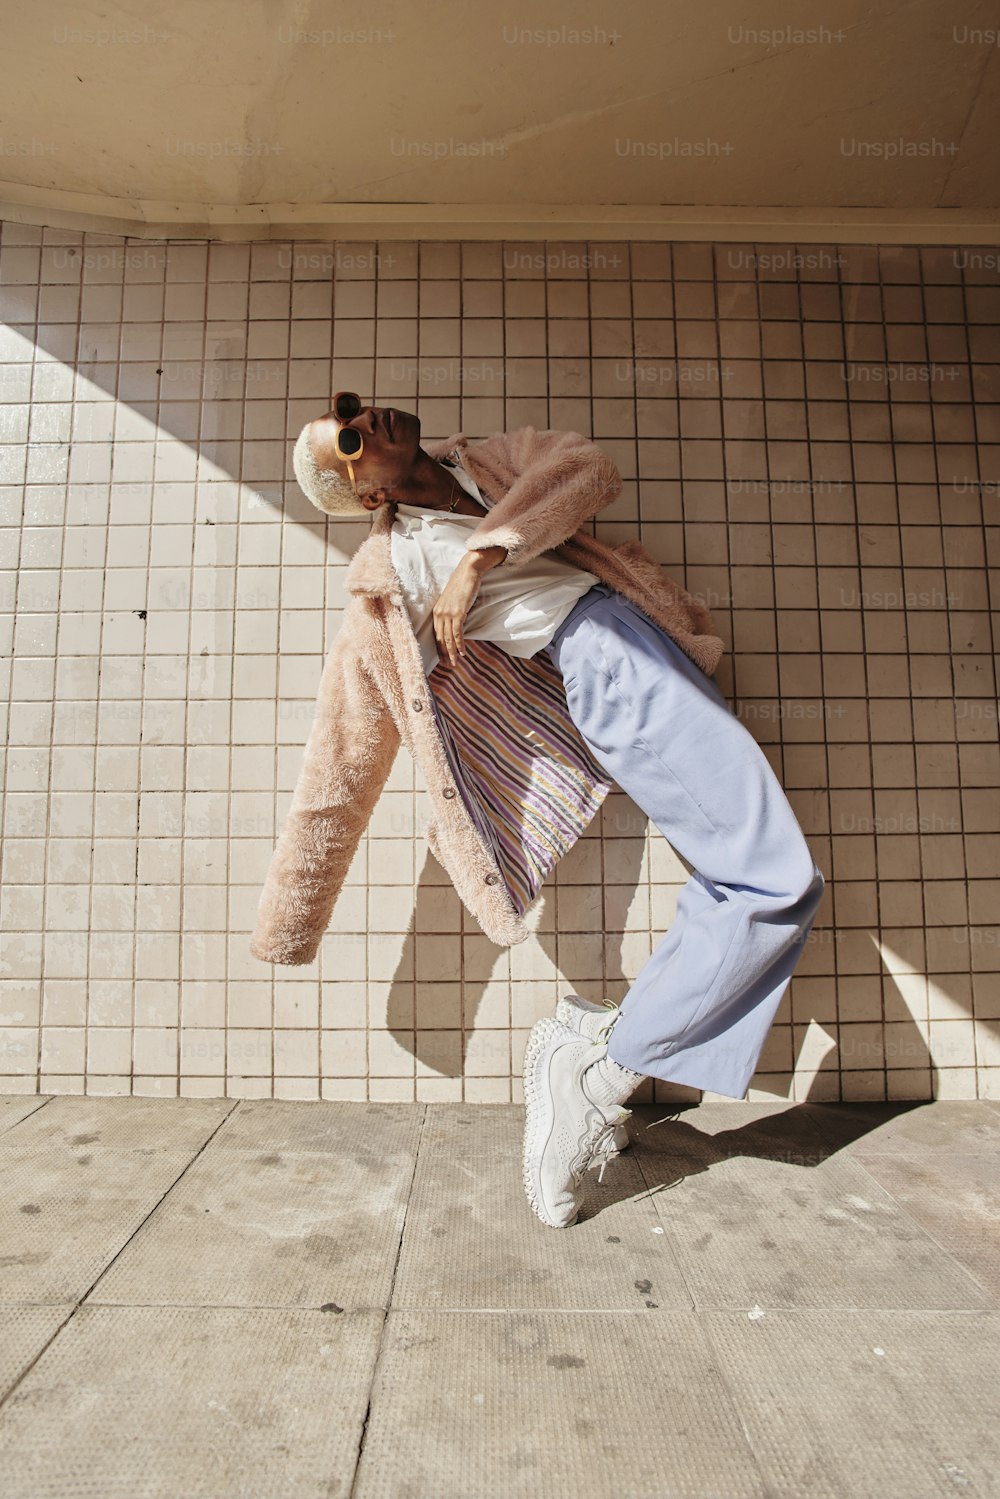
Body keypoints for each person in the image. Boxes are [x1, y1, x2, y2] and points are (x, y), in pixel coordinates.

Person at [254, 397, 825, 1231]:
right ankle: (598, 1072)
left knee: (751, 871)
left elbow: (586, 469)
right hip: (602, 661)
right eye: (348, 439)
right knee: (770, 876)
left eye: (351, 408)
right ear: (367, 497)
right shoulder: (390, 580)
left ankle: (600, 1055)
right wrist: (288, 923)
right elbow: (340, 762)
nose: (365, 419)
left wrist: (482, 555)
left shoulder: (484, 463)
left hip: (646, 642)